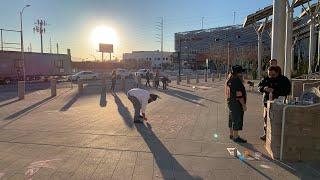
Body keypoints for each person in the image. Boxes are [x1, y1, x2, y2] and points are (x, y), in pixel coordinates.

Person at [226, 65, 247, 143]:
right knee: (237, 119)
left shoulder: (229, 80)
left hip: (230, 101)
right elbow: (239, 95)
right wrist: (244, 105)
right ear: (238, 73)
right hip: (236, 103)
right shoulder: (237, 81)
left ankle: (231, 134)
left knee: (232, 118)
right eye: (241, 72)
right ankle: (236, 137)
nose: (242, 73)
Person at [258, 66, 279, 141]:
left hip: (277, 102)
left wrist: (275, 90)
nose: (271, 76)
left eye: (273, 75)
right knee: (266, 118)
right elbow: (259, 87)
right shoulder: (265, 79)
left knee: (275, 119)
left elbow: (285, 90)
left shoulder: (281, 80)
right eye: (269, 74)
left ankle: (275, 136)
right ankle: (265, 134)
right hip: (266, 102)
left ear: (277, 73)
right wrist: (264, 88)